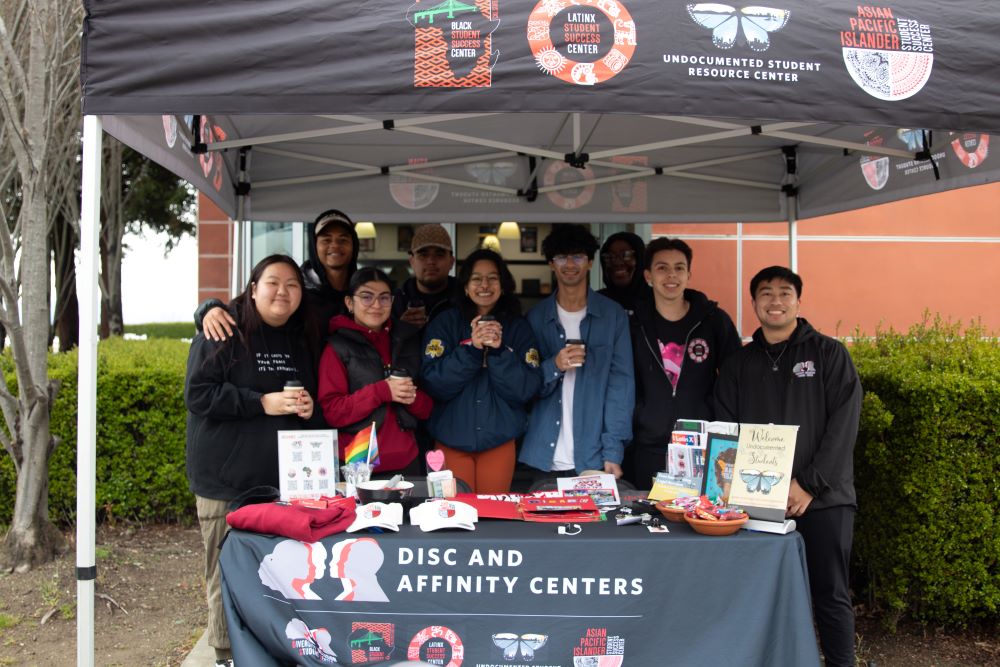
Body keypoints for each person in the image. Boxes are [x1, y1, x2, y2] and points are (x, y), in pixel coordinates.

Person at [714, 266, 862, 667]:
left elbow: (843, 426)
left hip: (824, 500)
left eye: (784, 293)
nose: (775, 301)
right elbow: (727, 435)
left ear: (798, 300)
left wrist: (808, 484)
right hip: (755, 501)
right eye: (765, 293)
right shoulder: (737, 364)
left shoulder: (829, 354)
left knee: (829, 593)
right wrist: (740, 491)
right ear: (754, 303)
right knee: (756, 592)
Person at [184, 254, 325, 667]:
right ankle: (227, 656)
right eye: (273, 282)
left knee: (276, 572)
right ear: (252, 287)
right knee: (225, 574)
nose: (283, 292)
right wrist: (261, 402)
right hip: (225, 480)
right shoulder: (223, 328)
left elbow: (306, 402)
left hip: (280, 481)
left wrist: (306, 406)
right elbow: (199, 394)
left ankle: (266, 650)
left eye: (293, 285)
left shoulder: (299, 336)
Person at [421, 249, 542, 493]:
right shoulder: (446, 323)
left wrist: (498, 353)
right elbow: (433, 383)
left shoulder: (518, 328)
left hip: (498, 441)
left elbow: (526, 389)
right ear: (465, 287)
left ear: (503, 285)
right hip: (451, 439)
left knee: (493, 518)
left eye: (493, 278)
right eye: (476, 278)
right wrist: (472, 351)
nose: (484, 285)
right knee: (453, 516)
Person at [519, 224, 634, 480]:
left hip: (593, 455)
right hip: (542, 455)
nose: (569, 264)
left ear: (590, 262)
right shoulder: (536, 318)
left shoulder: (612, 315)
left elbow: (621, 387)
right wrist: (554, 365)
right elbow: (524, 386)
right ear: (551, 263)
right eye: (561, 257)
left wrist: (613, 451)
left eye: (578, 256)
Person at [628, 237, 741, 488]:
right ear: (647, 276)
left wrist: (720, 425)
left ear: (689, 274)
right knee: (650, 523)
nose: (671, 275)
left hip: (702, 449)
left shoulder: (714, 321)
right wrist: (641, 416)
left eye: (679, 267)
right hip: (649, 448)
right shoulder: (634, 325)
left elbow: (736, 378)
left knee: (698, 521)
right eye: (662, 268)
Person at [318, 268, 433, 475]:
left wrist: (410, 396)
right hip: (357, 462)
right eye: (366, 297)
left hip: (406, 460)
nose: (376, 305)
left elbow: (427, 409)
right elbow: (332, 412)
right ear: (349, 303)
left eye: (384, 298)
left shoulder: (406, 339)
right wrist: (382, 391)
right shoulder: (336, 347)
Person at [197, 209, 360, 340]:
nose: (335, 246)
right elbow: (247, 308)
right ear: (314, 245)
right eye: (326, 239)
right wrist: (209, 308)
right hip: (301, 379)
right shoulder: (297, 286)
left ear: (354, 245)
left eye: (343, 240)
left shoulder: (362, 291)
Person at [391, 223, 458, 331]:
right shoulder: (394, 302)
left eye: (439, 255)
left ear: (451, 262)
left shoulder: (466, 298)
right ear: (412, 262)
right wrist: (400, 330)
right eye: (423, 255)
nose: (431, 261)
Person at [597, 231, 651, 317]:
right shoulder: (595, 301)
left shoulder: (658, 301)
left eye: (626, 255)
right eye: (610, 256)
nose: (617, 263)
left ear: (640, 260)